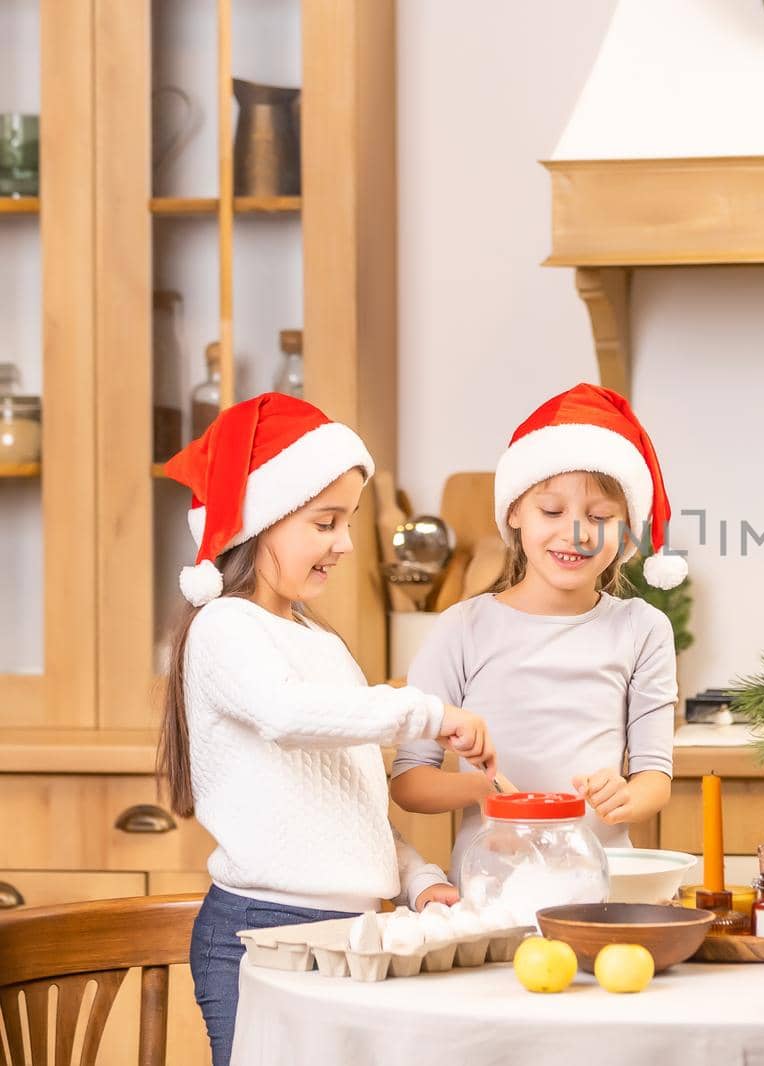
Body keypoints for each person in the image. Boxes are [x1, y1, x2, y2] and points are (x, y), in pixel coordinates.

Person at [156, 393, 494, 1065]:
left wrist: (417, 876)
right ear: (262, 520)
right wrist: (425, 710)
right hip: (264, 933)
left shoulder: (319, 641)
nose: (344, 543)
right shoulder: (226, 628)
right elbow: (286, 717)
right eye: (325, 522)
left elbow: (347, 798)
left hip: (352, 932)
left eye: (349, 521)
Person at [390, 383, 684, 877]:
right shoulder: (463, 629)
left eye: (600, 517)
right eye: (552, 511)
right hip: (492, 886)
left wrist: (626, 796)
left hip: (601, 884)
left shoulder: (643, 629)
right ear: (514, 513)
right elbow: (409, 783)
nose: (577, 533)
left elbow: (655, 778)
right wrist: (486, 789)